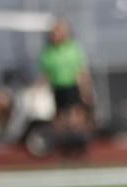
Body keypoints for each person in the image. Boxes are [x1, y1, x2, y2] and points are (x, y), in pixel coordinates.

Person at [38, 17, 94, 159]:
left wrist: (86, 91)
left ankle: (80, 148)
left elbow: (81, 71)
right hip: (58, 89)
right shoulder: (49, 52)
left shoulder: (73, 48)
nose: (54, 35)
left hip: (72, 87)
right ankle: (65, 149)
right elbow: (46, 74)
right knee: (61, 121)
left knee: (76, 120)